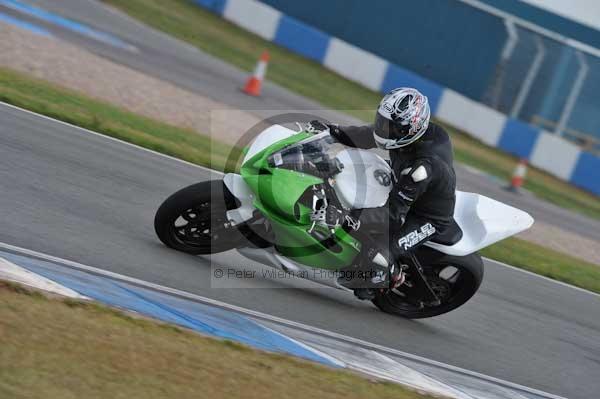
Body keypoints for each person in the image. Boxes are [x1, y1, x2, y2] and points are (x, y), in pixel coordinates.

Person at [308, 87, 457, 300]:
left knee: (376, 255)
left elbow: (393, 217)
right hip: (403, 184)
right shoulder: (408, 135)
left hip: (426, 216)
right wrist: (331, 132)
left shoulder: (421, 169)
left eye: (390, 127)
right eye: (382, 121)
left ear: (410, 129)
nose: (383, 128)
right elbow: (365, 136)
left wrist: (343, 218)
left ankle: (391, 276)